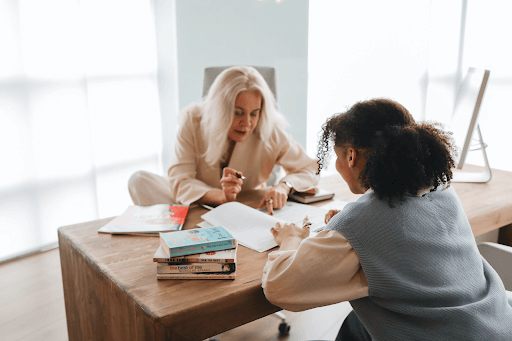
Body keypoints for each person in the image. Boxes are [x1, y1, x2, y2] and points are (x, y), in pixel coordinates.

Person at [262, 98, 512, 340]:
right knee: (356, 324)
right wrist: (352, 227)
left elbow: (278, 286)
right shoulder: (442, 188)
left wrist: (291, 240)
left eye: (337, 157)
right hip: (496, 322)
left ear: (351, 156)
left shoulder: (362, 223)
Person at [128, 66, 319, 214]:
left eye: (254, 113)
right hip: (197, 202)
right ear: (220, 109)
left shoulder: (269, 130)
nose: (247, 123)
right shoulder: (193, 120)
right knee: (139, 180)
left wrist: (284, 186)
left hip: (245, 205)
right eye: (237, 113)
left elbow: (310, 168)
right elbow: (180, 180)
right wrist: (221, 197)